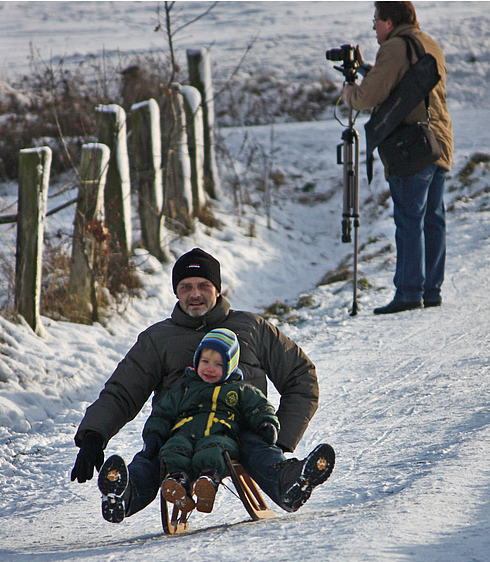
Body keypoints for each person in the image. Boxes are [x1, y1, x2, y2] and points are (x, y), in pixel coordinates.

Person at [70, 247, 332, 521]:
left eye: (204, 285)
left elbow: (301, 376)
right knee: (151, 456)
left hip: (238, 430)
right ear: (176, 292)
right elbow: (122, 391)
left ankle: (289, 482)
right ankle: (123, 495)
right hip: (180, 430)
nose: (195, 294)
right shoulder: (158, 339)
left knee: (259, 449)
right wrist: (94, 436)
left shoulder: (251, 328)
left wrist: (281, 438)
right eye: (186, 287)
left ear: (217, 289)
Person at [133, 327, 333, 516]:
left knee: (216, 449)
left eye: (219, 364)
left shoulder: (238, 390)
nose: (210, 368)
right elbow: (163, 412)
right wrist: (153, 434)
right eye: (205, 362)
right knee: (172, 449)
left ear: (230, 367)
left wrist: (266, 423)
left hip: (221, 436)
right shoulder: (184, 387)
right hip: (183, 434)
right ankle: (170, 484)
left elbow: (260, 406)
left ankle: (286, 482)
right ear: (196, 361)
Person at [343, 0, 453, 315]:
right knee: (433, 218)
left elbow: (366, 98)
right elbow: (404, 84)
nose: (374, 26)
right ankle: (430, 290)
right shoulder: (428, 43)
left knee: (409, 219)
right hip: (439, 142)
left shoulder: (393, 48)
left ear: (389, 22)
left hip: (411, 146)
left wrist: (351, 89)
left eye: (376, 20)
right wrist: (370, 70)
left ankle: (409, 292)